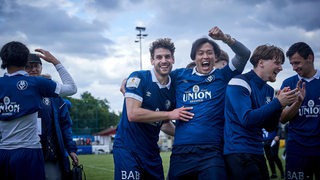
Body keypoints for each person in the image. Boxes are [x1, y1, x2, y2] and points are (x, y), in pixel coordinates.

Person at [168, 26, 251, 179]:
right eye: (200, 53)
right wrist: (132, 80)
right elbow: (158, 77)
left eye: (209, 53)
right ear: (194, 57)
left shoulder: (223, 75)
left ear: (215, 57)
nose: (205, 56)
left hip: (212, 151)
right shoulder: (179, 75)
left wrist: (224, 38)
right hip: (181, 151)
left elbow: (244, 54)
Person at [113, 38, 194, 180]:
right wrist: (170, 114)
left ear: (173, 59)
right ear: (152, 61)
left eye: (167, 56)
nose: (164, 60)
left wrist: (188, 136)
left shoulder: (173, 89)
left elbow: (163, 123)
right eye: (159, 57)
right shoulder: (139, 78)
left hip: (151, 153)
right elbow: (133, 114)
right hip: (128, 149)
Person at [0, 41, 77, 180]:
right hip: (29, 152)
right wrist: (55, 61)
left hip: (2, 152)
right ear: (25, 61)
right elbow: (71, 88)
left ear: (4, 61)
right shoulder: (37, 83)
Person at [223, 44, 299, 180]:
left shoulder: (269, 90)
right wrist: (278, 103)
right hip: (238, 151)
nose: (281, 68)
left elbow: (269, 126)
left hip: (257, 151)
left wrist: (279, 107)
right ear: (261, 63)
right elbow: (246, 119)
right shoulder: (239, 82)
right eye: (277, 63)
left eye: (281, 64)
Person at [26, 53, 79, 180]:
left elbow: (65, 125)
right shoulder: (17, 91)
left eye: (36, 66)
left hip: (50, 153)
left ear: (41, 68)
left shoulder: (53, 94)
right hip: (25, 153)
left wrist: (71, 149)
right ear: (23, 68)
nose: (33, 69)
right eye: (29, 66)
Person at [280, 42, 320, 180]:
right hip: (297, 148)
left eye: (297, 63)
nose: (294, 68)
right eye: (291, 64)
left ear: (310, 58)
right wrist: (297, 102)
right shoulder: (288, 84)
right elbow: (283, 118)